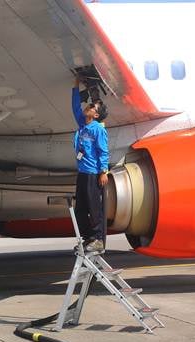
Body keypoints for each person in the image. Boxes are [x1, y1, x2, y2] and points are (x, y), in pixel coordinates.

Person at [72, 77, 109, 253]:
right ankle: (88, 238)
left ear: (96, 115)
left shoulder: (98, 129)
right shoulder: (82, 124)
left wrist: (103, 171)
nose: (89, 106)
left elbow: (103, 151)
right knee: (80, 209)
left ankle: (98, 239)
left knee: (95, 209)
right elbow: (74, 107)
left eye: (93, 107)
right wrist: (75, 86)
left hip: (94, 173)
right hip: (82, 173)